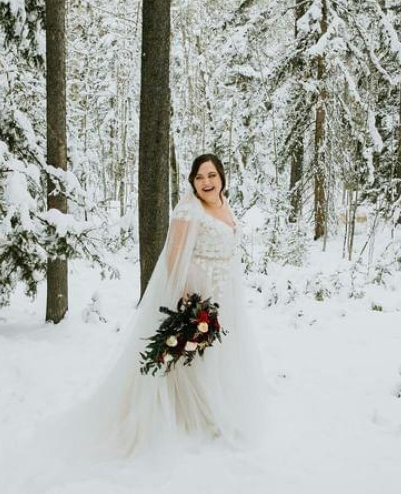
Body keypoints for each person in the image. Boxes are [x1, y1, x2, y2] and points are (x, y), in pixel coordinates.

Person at [69, 153, 267, 458]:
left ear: (222, 177)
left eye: (212, 175)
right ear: (192, 181)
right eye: (200, 177)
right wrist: (187, 296)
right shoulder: (189, 211)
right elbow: (174, 255)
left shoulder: (224, 204)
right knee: (191, 354)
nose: (206, 182)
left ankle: (215, 407)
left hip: (226, 290)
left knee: (218, 353)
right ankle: (184, 416)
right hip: (199, 289)